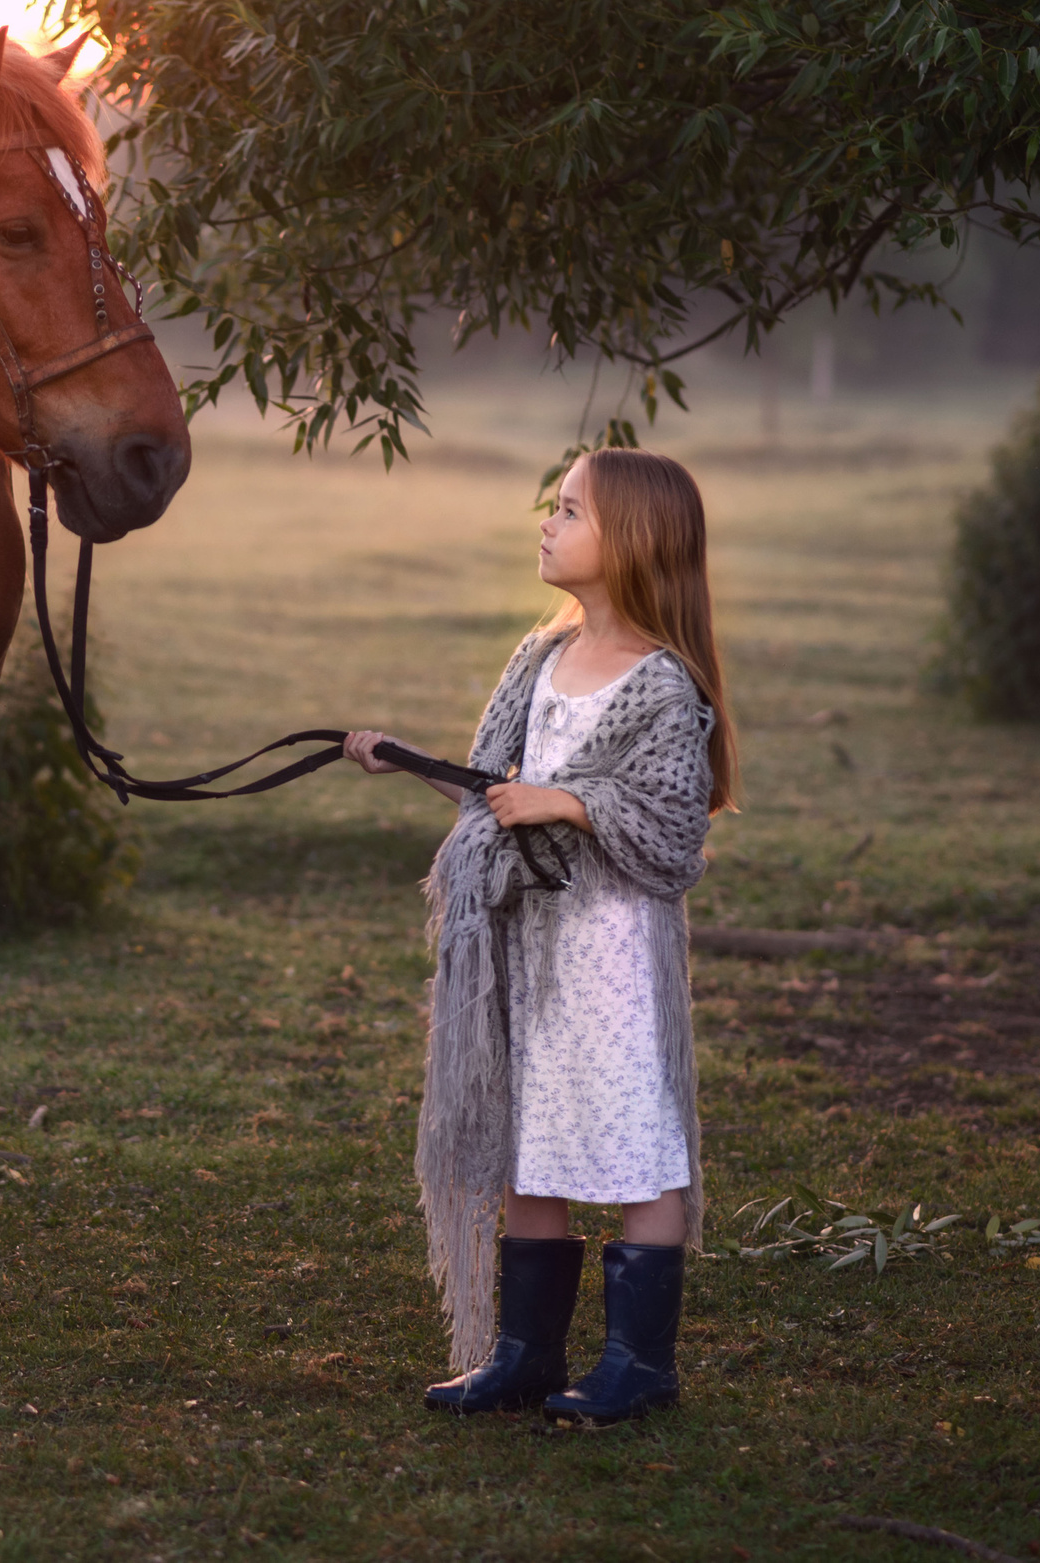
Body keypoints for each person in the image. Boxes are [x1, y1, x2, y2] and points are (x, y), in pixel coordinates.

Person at [345, 448, 737, 1422]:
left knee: (632, 1139)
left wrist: (566, 800)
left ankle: (640, 1363)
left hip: (610, 957)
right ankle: (522, 1354)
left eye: (569, 511)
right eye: (552, 507)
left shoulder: (661, 687)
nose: (546, 523)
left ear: (635, 541)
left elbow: (669, 829)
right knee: (534, 1138)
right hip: (527, 949)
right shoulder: (538, 659)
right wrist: (406, 762)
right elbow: (494, 796)